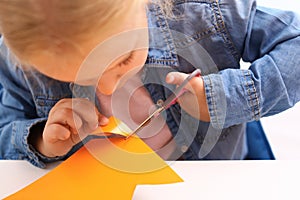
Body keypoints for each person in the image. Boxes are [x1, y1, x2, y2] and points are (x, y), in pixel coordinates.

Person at [0, 0, 299, 168]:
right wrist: (41, 139)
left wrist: (228, 97)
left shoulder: (204, 12)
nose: (105, 89)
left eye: (122, 59)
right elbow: (7, 131)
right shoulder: (20, 59)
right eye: (79, 79)